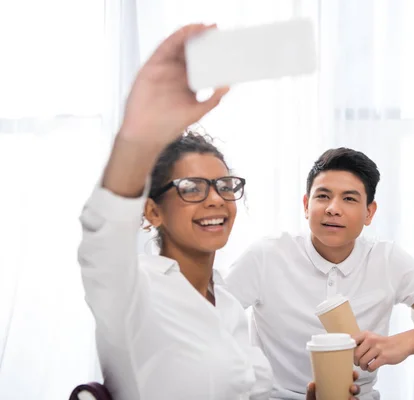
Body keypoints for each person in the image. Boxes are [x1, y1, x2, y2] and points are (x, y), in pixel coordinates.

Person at [78, 24, 359, 400]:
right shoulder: (133, 291)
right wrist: (138, 134)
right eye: (191, 188)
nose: (215, 199)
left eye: (224, 186)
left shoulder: (225, 303)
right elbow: (103, 233)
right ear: (152, 211)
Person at [224, 147, 414, 399]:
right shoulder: (267, 255)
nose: (333, 208)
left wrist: (400, 343)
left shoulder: (386, 259)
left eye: (349, 199)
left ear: (369, 213)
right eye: (323, 196)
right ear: (306, 205)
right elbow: (206, 322)